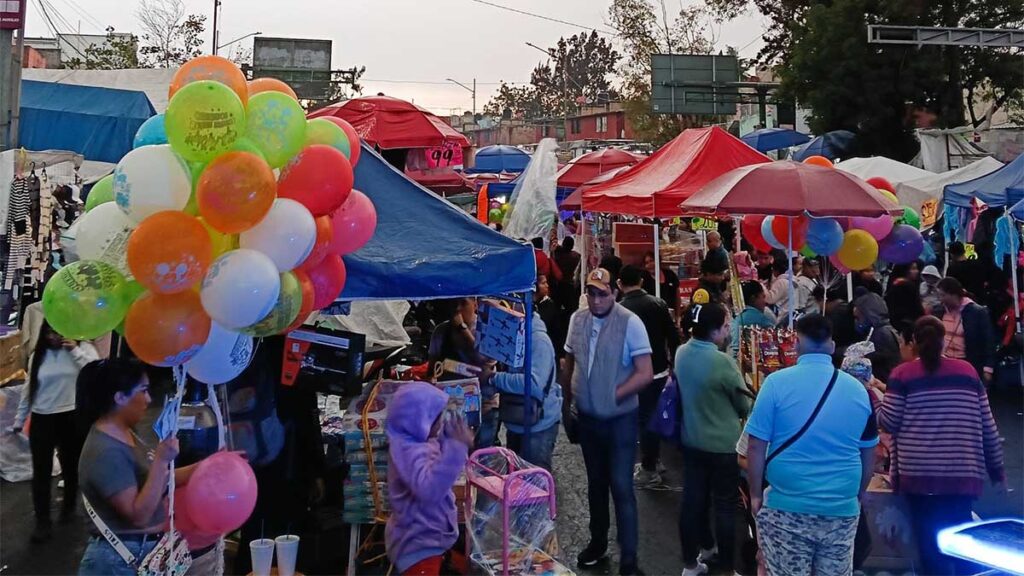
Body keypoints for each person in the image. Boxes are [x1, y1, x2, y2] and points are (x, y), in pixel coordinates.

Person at [745, 314, 878, 576]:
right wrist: (858, 493)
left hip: (787, 506)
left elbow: (755, 446)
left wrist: (755, 494)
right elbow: (868, 451)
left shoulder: (775, 384)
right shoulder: (859, 391)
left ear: (797, 343)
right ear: (831, 346)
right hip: (841, 508)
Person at [879, 316, 1006, 575]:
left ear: (913, 341)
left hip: (918, 476)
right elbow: (987, 425)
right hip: (960, 475)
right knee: (961, 543)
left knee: (928, 547)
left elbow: (889, 422)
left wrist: (873, 399)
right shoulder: (967, 372)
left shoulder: (902, 375)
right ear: (943, 340)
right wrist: (996, 469)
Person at [562, 268, 653, 575]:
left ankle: (629, 559)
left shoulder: (631, 324)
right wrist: (567, 402)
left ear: (614, 292)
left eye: (602, 293)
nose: (597, 299)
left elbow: (645, 372)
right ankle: (597, 543)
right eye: (591, 292)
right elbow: (569, 360)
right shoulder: (578, 320)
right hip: (588, 419)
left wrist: (614, 393)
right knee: (596, 485)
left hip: (620, 422)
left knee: (621, 486)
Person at [76, 358, 197, 575]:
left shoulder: (125, 433)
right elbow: (138, 516)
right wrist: (160, 460)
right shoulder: (106, 451)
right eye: (143, 390)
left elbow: (157, 481)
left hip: (142, 553)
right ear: (120, 397)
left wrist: (206, 468)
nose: (149, 399)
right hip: (120, 562)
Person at [675, 302, 750, 575]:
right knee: (725, 507)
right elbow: (744, 406)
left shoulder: (682, 353)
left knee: (692, 501)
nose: (729, 329)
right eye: (726, 325)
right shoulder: (723, 362)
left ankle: (689, 563)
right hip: (724, 445)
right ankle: (728, 568)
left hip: (692, 439)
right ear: (715, 331)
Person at [11, 319, 98, 542]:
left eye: (58, 332)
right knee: (40, 472)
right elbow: (29, 389)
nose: (54, 337)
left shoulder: (83, 348)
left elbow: (94, 374)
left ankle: (68, 507)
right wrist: (19, 420)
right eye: (49, 332)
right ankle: (42, 522)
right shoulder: (38, 355)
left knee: (71, 468)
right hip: (42, 418)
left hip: (71, 415)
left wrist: (75, 350)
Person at [385, 383, 474, 576]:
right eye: (438, 418)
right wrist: (457, 448)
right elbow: (430, 490)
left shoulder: (420, 441)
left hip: (428, 539)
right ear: (421, 419)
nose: (441, 422)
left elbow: (437, 455)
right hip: (418, 547)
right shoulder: (408, 452)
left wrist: (452, 439)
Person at [618, 265, 680, 486]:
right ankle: (654, 460)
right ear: (642, 282)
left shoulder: (620, 310)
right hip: (660, 370)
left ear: (619, 284)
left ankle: (649, 467)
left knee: (645, 419)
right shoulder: (658, 304)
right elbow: (673, 336)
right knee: (653, 416)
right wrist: (673, 364)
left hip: (635, 373)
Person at [480, 310, 562, 471]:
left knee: (534, 487)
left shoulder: (538, 340)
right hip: (515, 421)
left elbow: (534, 384)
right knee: (516, 483)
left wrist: (493, 377)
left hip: (538, 426)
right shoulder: (510, 335)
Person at [934, 277, 996, 383]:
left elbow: (988, 341)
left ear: (953, 294)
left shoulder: (977, 312)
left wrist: (988, 368)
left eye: (943, 295)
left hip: (968, 365)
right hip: (944, 364)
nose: (940, 299)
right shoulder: (939, 311)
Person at [852, 292, 901, 382]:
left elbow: (865, 358)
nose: (856, 322)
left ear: (867, 315)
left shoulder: (881, 334)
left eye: (858, 318)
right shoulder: (883, 330)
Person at [731, 281, 775, 358]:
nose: (765, 302)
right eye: (763, 297)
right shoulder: (760, 318)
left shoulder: (737, 318)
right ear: (753, 298)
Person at [884, 263, 925, 334]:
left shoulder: (894, 283)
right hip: (909, 325)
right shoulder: (909, 286)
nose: (917, 271)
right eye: (913, 269)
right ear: (906, 270)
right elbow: (917, 309)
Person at [534, 274, 565, 358]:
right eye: (543, 283)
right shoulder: (524, 306)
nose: (547, 286)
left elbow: (556, 331)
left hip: (546, 351)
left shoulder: (550, 305)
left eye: (546, 282)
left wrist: (561, 355)